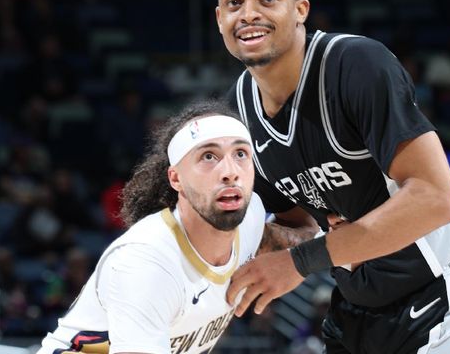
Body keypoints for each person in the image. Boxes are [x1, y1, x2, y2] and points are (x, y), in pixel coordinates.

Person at [214, 0, 450, 354]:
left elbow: (436, 200)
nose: (248, 14)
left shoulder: (355, 65)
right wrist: (260, 241)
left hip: (442, 295)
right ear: (219, 19)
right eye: (234, 3)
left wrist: (297, 264)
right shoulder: (237, 112)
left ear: (300, 10)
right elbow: (299, 221)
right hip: (357, 313)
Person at [37, 99, 310, 354]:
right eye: (208, 157)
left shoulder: (251, 217)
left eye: (240, 153)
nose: (230, 171)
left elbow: (300, 238)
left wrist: (305, 259)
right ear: (176, 178)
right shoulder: (146, 263)